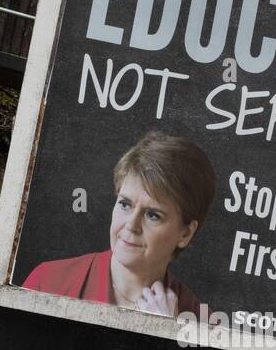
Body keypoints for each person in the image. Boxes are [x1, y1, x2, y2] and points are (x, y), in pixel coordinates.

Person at [21, 131, 215, 317]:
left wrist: (166, 335)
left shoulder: (203, 326)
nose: (131, 225)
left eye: (153, 215)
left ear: (185, 234)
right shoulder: (47, 282)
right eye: (125, 204)